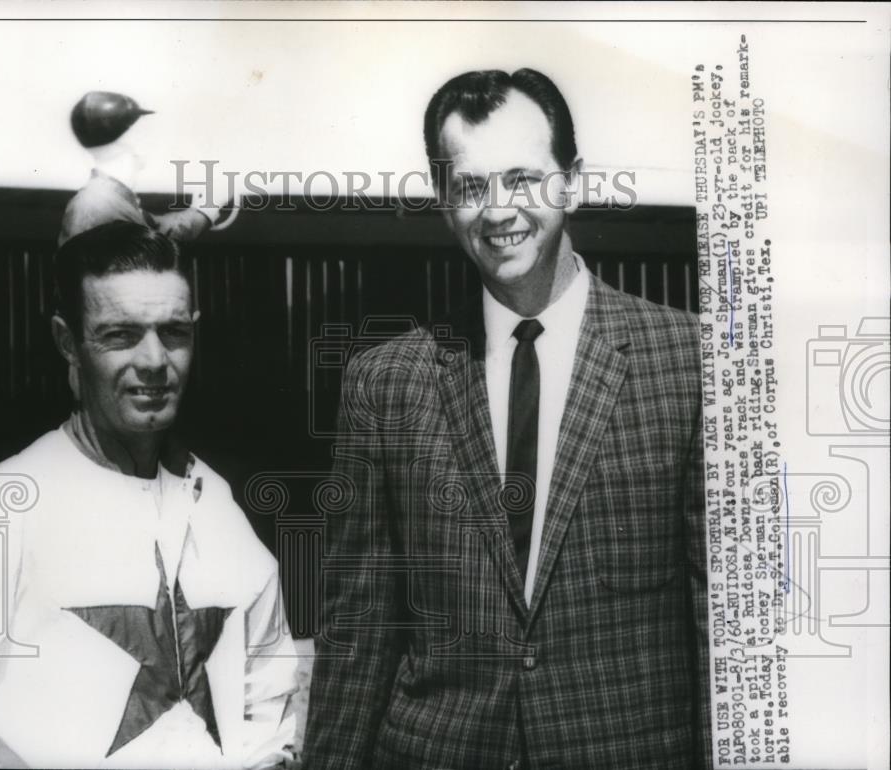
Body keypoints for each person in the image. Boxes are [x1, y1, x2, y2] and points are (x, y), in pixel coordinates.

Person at [303, 68, 710, 770]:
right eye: (469, 187)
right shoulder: (385, 384)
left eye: (523, 179)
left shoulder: (688, 362)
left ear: (572, 181)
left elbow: (719, 624)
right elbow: (358, 631)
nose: (498, 211)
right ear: (442, 199)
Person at [0, 222, 298, 769]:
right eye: (121, 334)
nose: (154, 360)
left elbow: (270, 698)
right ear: (68, 341)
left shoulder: (221, 506)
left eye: (173, 332)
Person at [57, 91, 226, 246]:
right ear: (126, 141)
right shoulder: (96, 207)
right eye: (141, 131)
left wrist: (210, 203)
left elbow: (164, 230)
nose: (151, 139)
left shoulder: (112, 201)